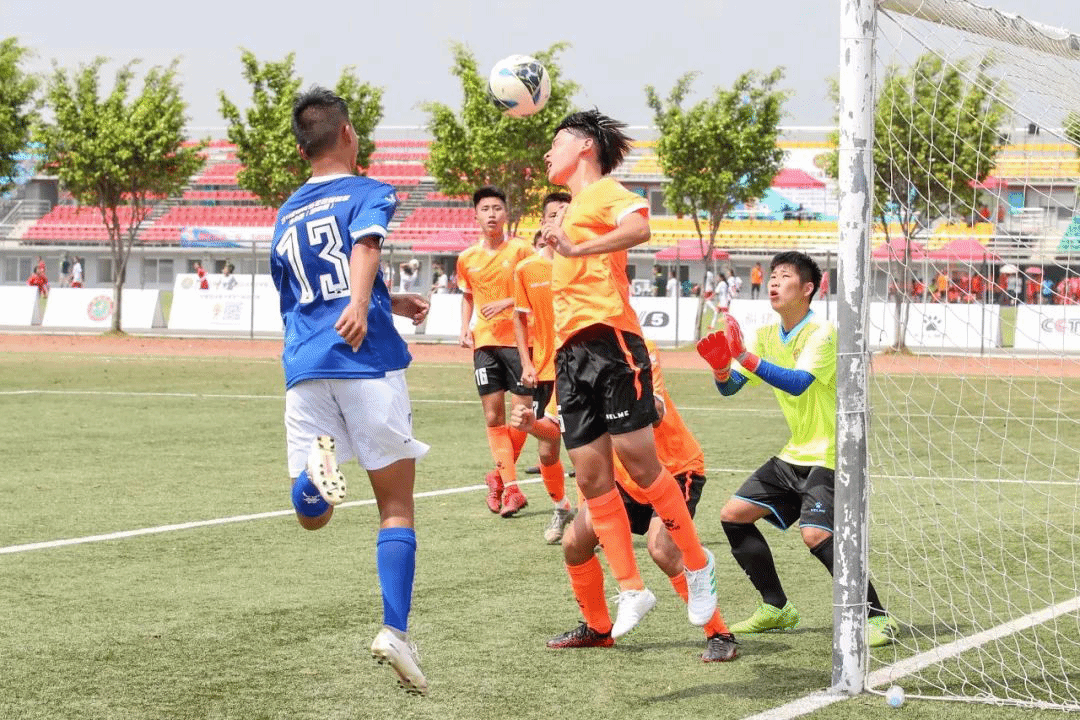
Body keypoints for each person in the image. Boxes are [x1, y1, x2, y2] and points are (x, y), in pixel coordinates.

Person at [269, 86, 431, 695]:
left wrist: (387, 300)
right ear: (345, 134)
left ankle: (315, 479)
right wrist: (363, 305)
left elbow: (303, 289)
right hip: (365, 360)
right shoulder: (368, 191)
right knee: (396, 505)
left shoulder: (286, 212)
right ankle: (395, 630)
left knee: (314, 516)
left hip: (305, 366)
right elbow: (364, 244)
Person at [541, 109, 718, 638]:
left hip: (610, 341)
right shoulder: (570, 209)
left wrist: (576, 247)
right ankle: (632, 589)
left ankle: (697, 563)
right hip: (571, 353)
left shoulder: (602, 192)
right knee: (591, 478)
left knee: (640, 464)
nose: (548, 152)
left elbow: (640, 227)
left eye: (557, 141)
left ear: (584, 147)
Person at [696, 250, 899, 648]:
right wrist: (721, 369)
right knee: (733, 516)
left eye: (784, 276)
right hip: (796, 453)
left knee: (815, 534)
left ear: (807, 289)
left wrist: (743, 357)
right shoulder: (766, 335)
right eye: (772, 275)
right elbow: (730, 388)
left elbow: (797, 382)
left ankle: (877, 617)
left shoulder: (823, 333)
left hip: (834, 453)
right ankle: (776, 607)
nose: (773, 281)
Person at [532, 340, 737, 662]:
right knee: (574, 543)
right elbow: (555, 427)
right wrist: (529, 425)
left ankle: (719, 633)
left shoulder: (633, 348)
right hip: (620, 480)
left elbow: (656, 413)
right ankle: (598, 629)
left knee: (662, 549)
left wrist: (613, 396)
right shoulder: (570, 360)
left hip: (672, 469)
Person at [456, 186, 535, 516]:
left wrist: (506, 302)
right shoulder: (466, 258)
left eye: (497, 208)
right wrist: (464, 327)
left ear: (506, 214)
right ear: (476, 215)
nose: (491, 214)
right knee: (493, 417)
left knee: (521, 417)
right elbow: (468, 295)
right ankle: (512, 488)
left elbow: (537, 288)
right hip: (485, 343)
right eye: (485, 209)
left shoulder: (521, 250)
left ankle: (499, 477)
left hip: (521, 343)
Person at [511, 192, 575, 543]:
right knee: (548, 450)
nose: (560, 220)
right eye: (554, 214)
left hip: (580, 371)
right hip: (546, 373)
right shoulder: (526, 269)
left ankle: (593, 521)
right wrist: (526, 362)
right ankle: (562, 506)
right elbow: (519, 318)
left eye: (567, 214)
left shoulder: (582, 262)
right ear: (543, 222)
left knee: (586, 450)